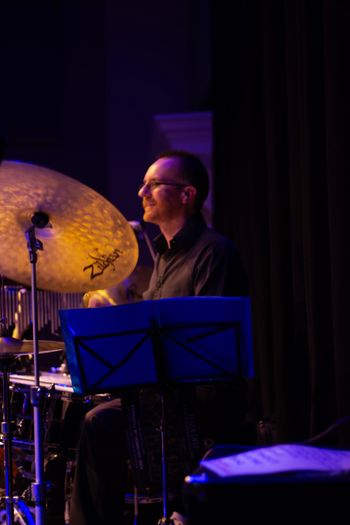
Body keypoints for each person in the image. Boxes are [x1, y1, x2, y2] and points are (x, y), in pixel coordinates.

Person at [69, 151, 250, 525]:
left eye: (154, 184)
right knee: (89, 416)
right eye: (144, 184)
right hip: (166, 394)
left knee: (100, 422)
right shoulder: (165, 258)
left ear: (187, 194)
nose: (142, 192)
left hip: (202, 401)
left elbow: (206, 348)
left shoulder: (214, 252)